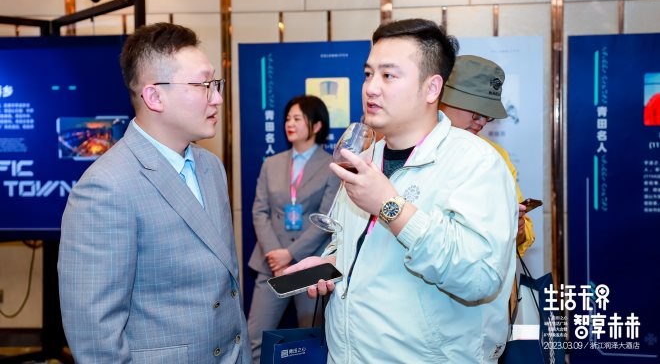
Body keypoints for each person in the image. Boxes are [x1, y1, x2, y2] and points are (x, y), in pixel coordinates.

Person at [285, 18, 518, 363]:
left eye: (388, 75)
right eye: (368, 74)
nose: (371, 88)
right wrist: (330, 263)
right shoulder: (367, 158)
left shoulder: (476, 163)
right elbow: (356, 245)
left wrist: (390, 206)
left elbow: (479, 277)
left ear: (432, 88)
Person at [58, 22, 250, 363]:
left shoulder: (210, 167)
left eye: (215, 84)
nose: (218, 98)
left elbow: (227, 287)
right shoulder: (107, 186)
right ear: (154, 96)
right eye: (203, 85)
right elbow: (95, 336)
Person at [246, 95, 340, 363]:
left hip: (310, 266)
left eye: (298, 118)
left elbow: (326, 218)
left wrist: (290, 254)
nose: (290, 123)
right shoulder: (271, 164)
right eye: (288, 118)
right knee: (254, 337)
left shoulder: (332, 167)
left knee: (311, 340)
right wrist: (276, 255)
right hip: (271, 264)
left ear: (317, 125)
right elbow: (260, 211)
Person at [439, 55, 535, 256]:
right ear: (442, 97)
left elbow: (525, 232)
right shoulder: (409, 146)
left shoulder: (495, 155)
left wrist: (517, 230)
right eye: (476, 113)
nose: (482, 122)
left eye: (487, 116)